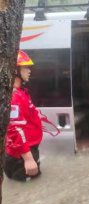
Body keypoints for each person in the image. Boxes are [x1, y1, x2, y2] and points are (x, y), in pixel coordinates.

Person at [4, 50, 43, 181]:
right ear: (15, 70)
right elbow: (13, 128)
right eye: (25, 67)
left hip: (26, 151)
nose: (29, 70)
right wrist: (28, 158)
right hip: (21, 156)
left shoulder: (21, 92)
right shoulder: (14, 96)